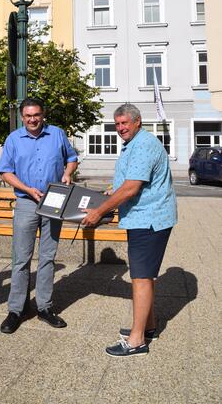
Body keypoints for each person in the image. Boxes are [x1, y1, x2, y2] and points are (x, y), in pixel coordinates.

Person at [82, 103, 177, 357]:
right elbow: (128, 183)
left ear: (137, 122)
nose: (121, 128)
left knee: (141, 278)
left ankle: (136, 341)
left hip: (149, 220)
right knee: (145, 276)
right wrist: (111, 192)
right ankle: (149, 326)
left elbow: (131, 188)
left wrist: (99, 211)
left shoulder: (144, 144)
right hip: (145, 219)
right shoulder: (135, 144)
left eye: (125, 122)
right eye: (117, 124)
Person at [0, 97, 78, 334]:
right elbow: (5, 171)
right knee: (21, 259)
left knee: (47, 257)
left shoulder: (57, 134)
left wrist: (67, 173)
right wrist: (25, 188)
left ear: (43, 115)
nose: (33, 119)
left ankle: (44, 307)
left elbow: (72, 158)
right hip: (25, 203)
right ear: (23, 117)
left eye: (37, 115)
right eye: (28, 116)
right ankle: (16, 310)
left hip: (54, 202)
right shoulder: (13, 139)